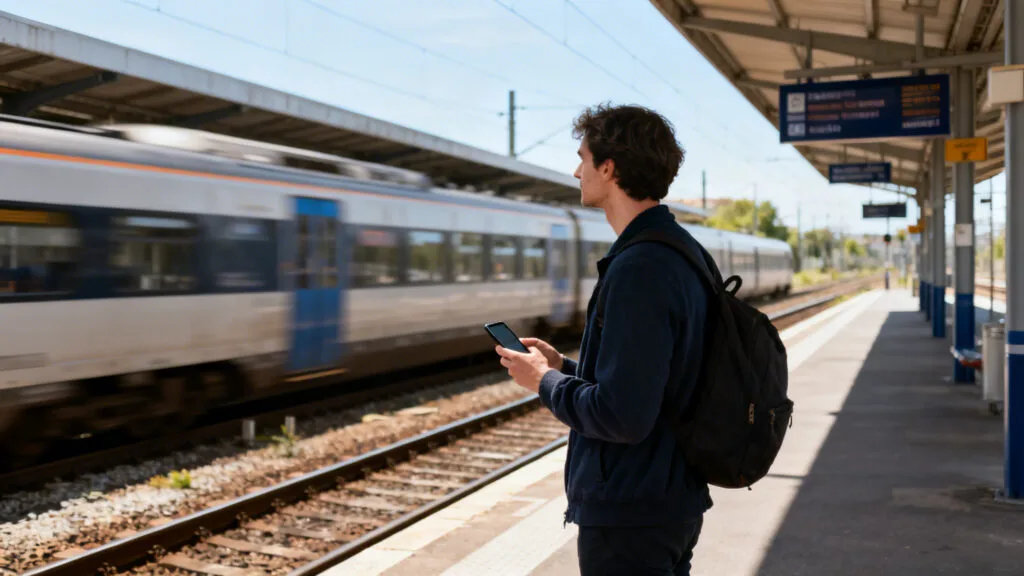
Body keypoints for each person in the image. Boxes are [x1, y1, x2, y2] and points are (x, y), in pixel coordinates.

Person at [494, 103, 714, 576]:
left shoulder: (639, 268)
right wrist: (565, 368)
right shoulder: (684, 252)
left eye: (583, 158)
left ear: (609, 167)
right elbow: (655, 380)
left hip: (632, 512)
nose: (576, 171)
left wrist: (544, 383)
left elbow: (623, 416)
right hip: (669, 497)